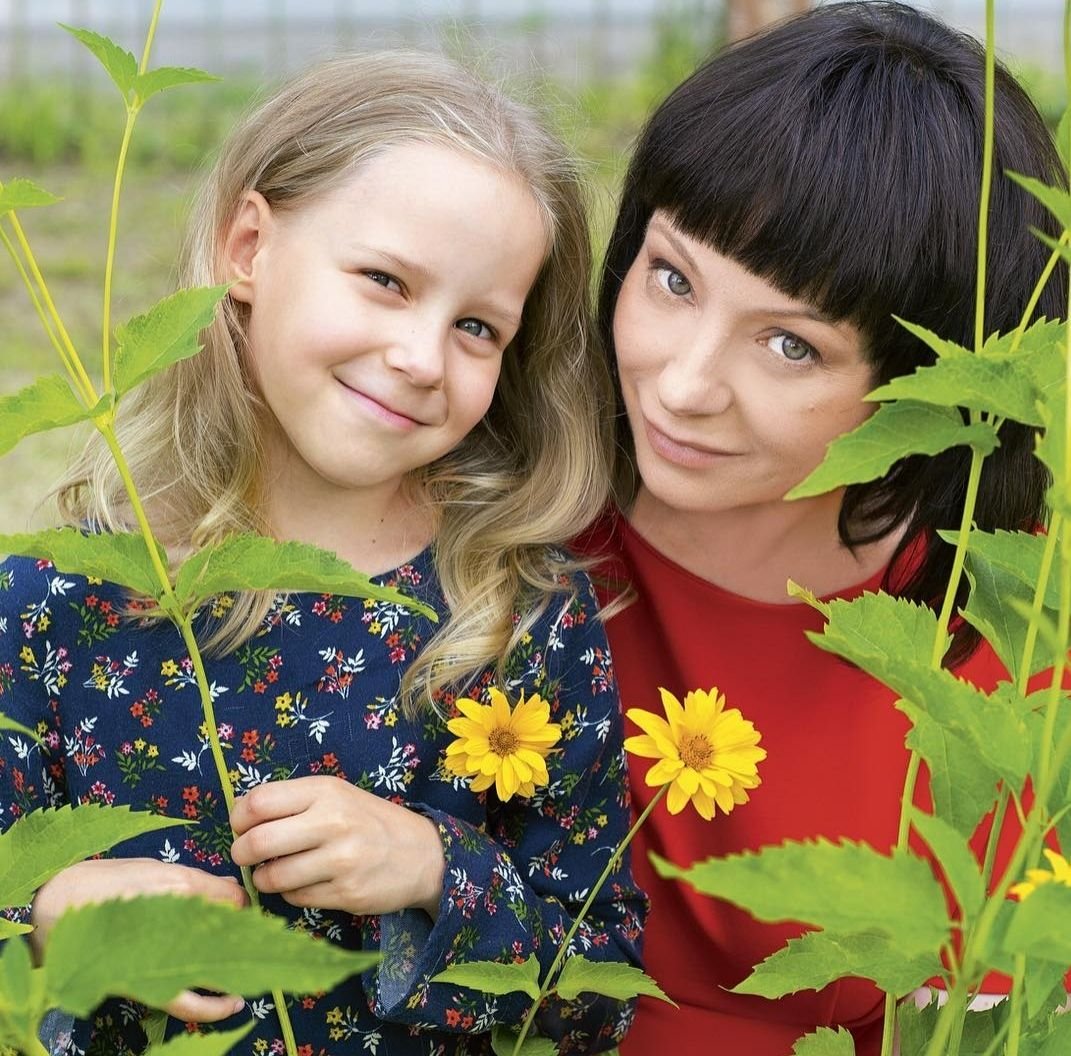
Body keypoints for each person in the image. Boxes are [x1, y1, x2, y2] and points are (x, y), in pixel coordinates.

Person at [0, 51, 645, 1055]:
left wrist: (438, 871)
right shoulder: (60, 597)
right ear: (248, 246)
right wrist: (50, 916)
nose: (422, 358)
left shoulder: (518, 617)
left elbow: (601, 991)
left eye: (477, 326)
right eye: (385, 280)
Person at [576, 2, 1067, 1053]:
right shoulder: (506, 532)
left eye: (790, 346)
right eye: (672, 278)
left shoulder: (1012, 661)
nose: (685, 381)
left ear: (930, 387)